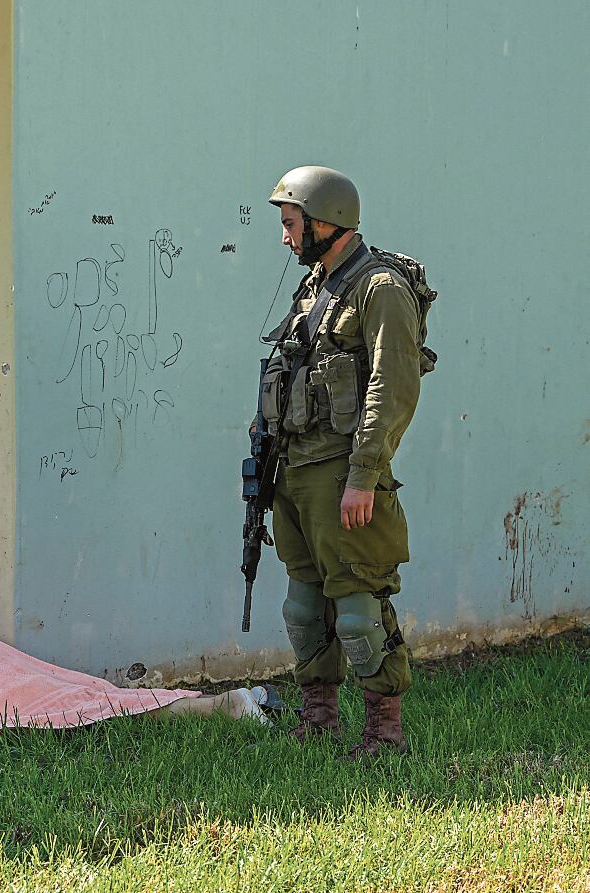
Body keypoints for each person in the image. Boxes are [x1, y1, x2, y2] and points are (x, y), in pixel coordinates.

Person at [262, 165, 424, 758]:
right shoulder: (314, 288)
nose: (285, 237)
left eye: (290, 223)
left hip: (344, 471)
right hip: (296, 469)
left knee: (357, 605)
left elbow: (393, 385)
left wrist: (364, 475)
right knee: (304, 604)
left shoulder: (379, 288)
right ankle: (319, 717)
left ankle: (384, 732)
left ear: (325, 220)